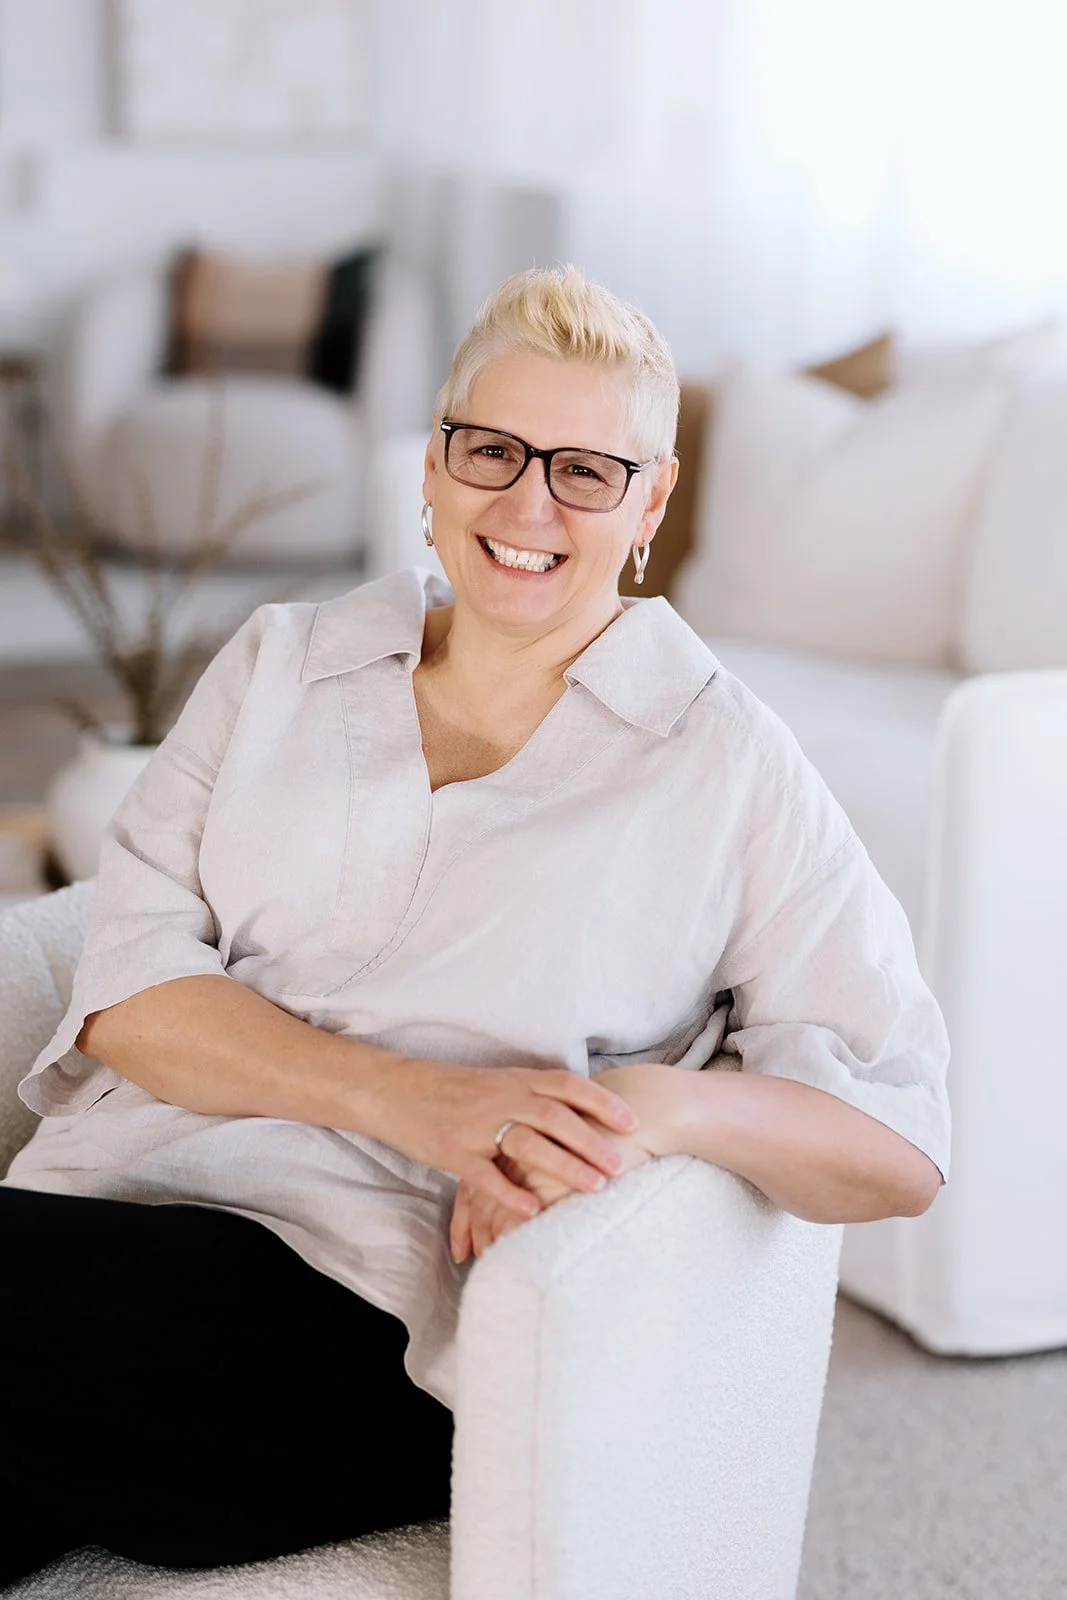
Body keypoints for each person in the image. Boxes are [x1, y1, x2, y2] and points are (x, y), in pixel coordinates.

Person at [0, 266, 949, 1588]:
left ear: (650, 502)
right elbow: (133, 996)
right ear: (433, 467)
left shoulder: (724, 759)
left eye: (584, 470)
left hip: (360, 1313)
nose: (525, 504)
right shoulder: (278, 660)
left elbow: (894, 1141)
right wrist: (424, 1101)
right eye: (490, 450)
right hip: (97, 1210)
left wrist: (648, 1110)